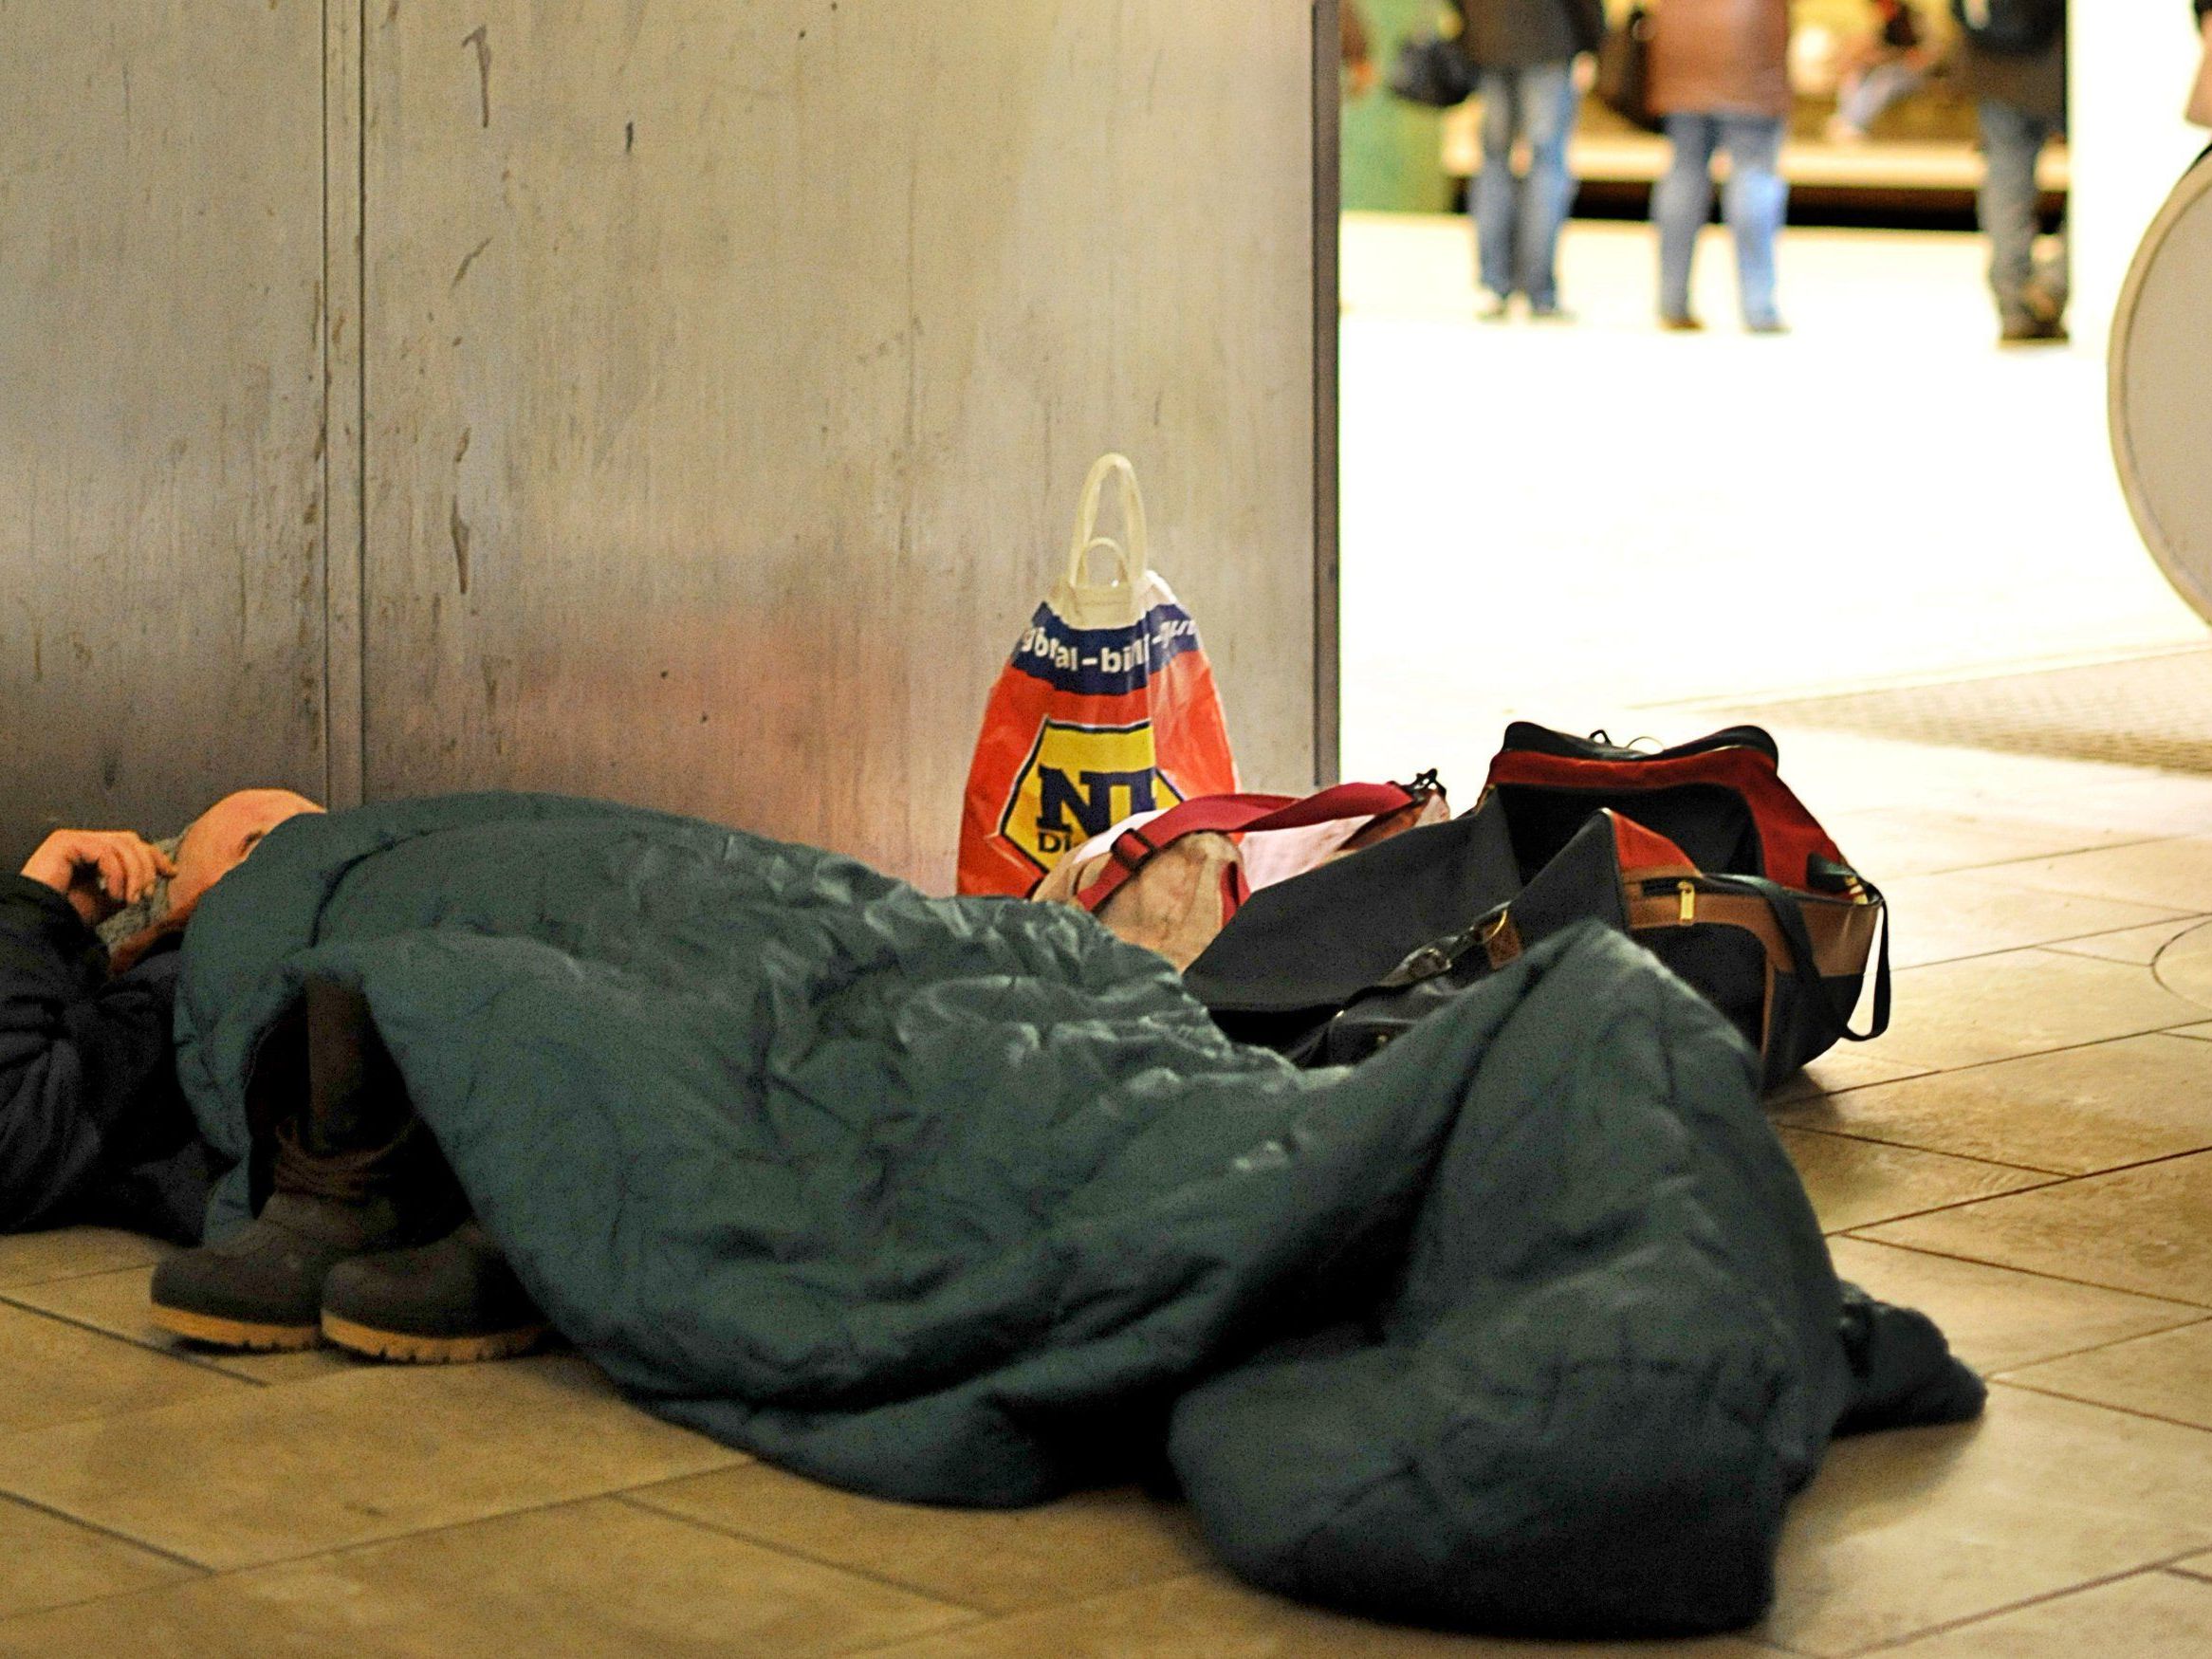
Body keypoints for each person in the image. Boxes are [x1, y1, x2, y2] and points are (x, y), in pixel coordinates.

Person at [1, 789, 321, 1242]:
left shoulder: (186, 985)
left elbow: (11, 1144)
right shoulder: (196, 988)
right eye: (256, 845)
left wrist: (34, 908)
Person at [1648, 0, 1796, 334]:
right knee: (1752, 171)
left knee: (1684, 170)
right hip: (1750, 45)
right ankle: (1758, 307)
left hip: (1679, 45)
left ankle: (1671, 301)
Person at [1454, 0, 1607, 320]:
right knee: (1546, 165)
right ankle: (1540, 292)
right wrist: (1595, 40)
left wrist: (1473, 26)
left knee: (1494, 165)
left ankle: (1495, 286)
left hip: (1490, 39)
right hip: (1550, 40)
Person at [1953, 0, 2069, 344]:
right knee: (2107, 181)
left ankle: (2015, 302)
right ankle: (2052, 285)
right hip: (2050, 63)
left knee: (2005, 184)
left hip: (1990, 66)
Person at [1828, 1, 1934, 141]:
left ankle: (1855, 124)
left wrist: (1890, 58)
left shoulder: (1912, 21)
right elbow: (1880, 50)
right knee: (1855, 75)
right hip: (1887, 70)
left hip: (1911, 75)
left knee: (1882, 81)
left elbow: (1919, 57)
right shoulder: (1885, 25)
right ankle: (1845, 118)